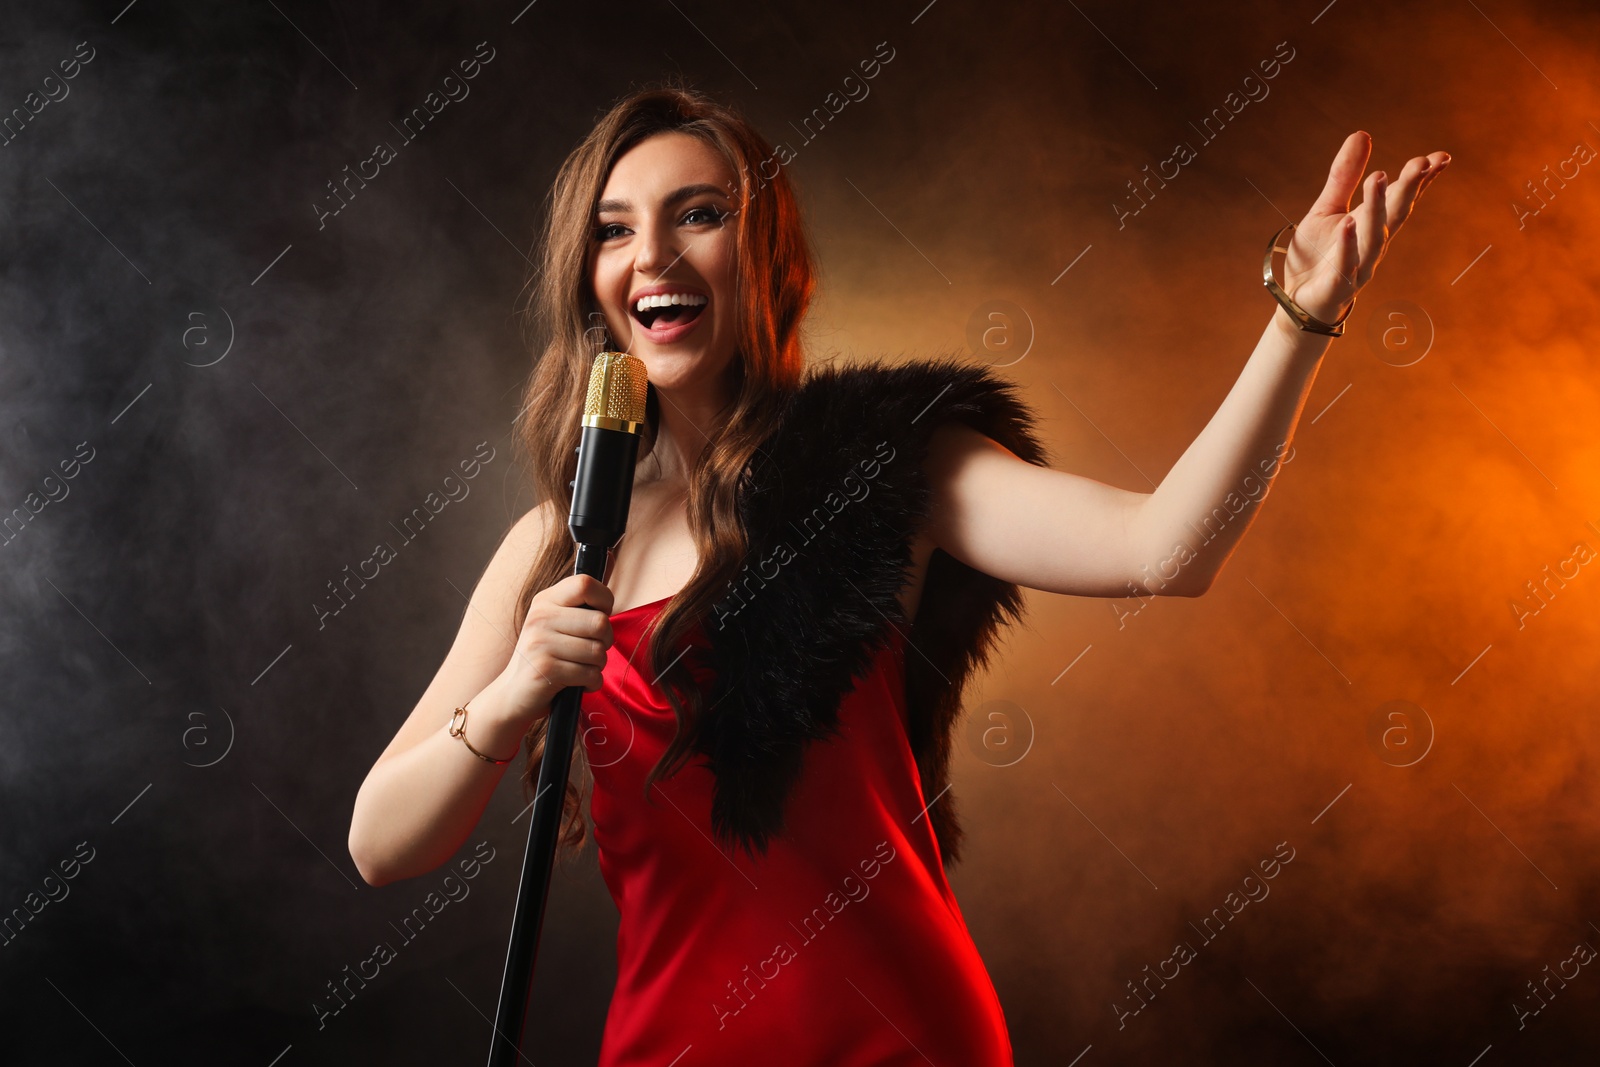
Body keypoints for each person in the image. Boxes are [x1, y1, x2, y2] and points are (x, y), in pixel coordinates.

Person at [348, 84, 1448, 1064]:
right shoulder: (552, 544)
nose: (654, 258)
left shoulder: (880, 461)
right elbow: (379, 842)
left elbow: (1165, 549)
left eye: (698, 214)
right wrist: (507, 698)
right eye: (613, 230)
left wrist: (1300, 318)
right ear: (587, 280)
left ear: (764, 252)